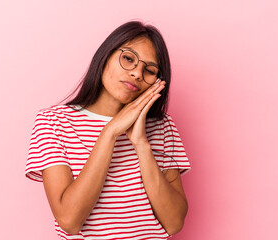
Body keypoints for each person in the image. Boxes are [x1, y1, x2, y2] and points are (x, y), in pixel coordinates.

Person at [25, 20, 191, 240]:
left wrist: (141, 144)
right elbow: (69, 220)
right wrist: (110, 132)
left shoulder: (162, 127)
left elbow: (174, 222)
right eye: (128, 59)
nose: (137, 74)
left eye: (149, 70)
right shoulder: (54, 122)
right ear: (105, 56)